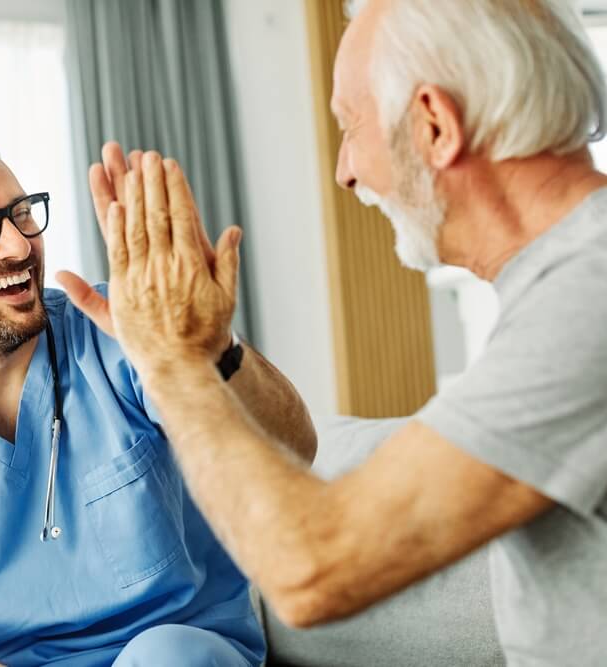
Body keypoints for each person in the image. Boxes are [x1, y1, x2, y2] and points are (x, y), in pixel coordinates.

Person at [56, 1, 607, 665]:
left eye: (351, 126)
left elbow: (311, 567)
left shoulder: (585, 294)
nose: (346, 169)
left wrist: (170, 359)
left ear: (435, 123)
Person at [0, 124, 316, 666]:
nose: (16, 245)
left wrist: (212, 347)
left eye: (21, 213)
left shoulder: (120, 331)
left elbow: (292, 450)